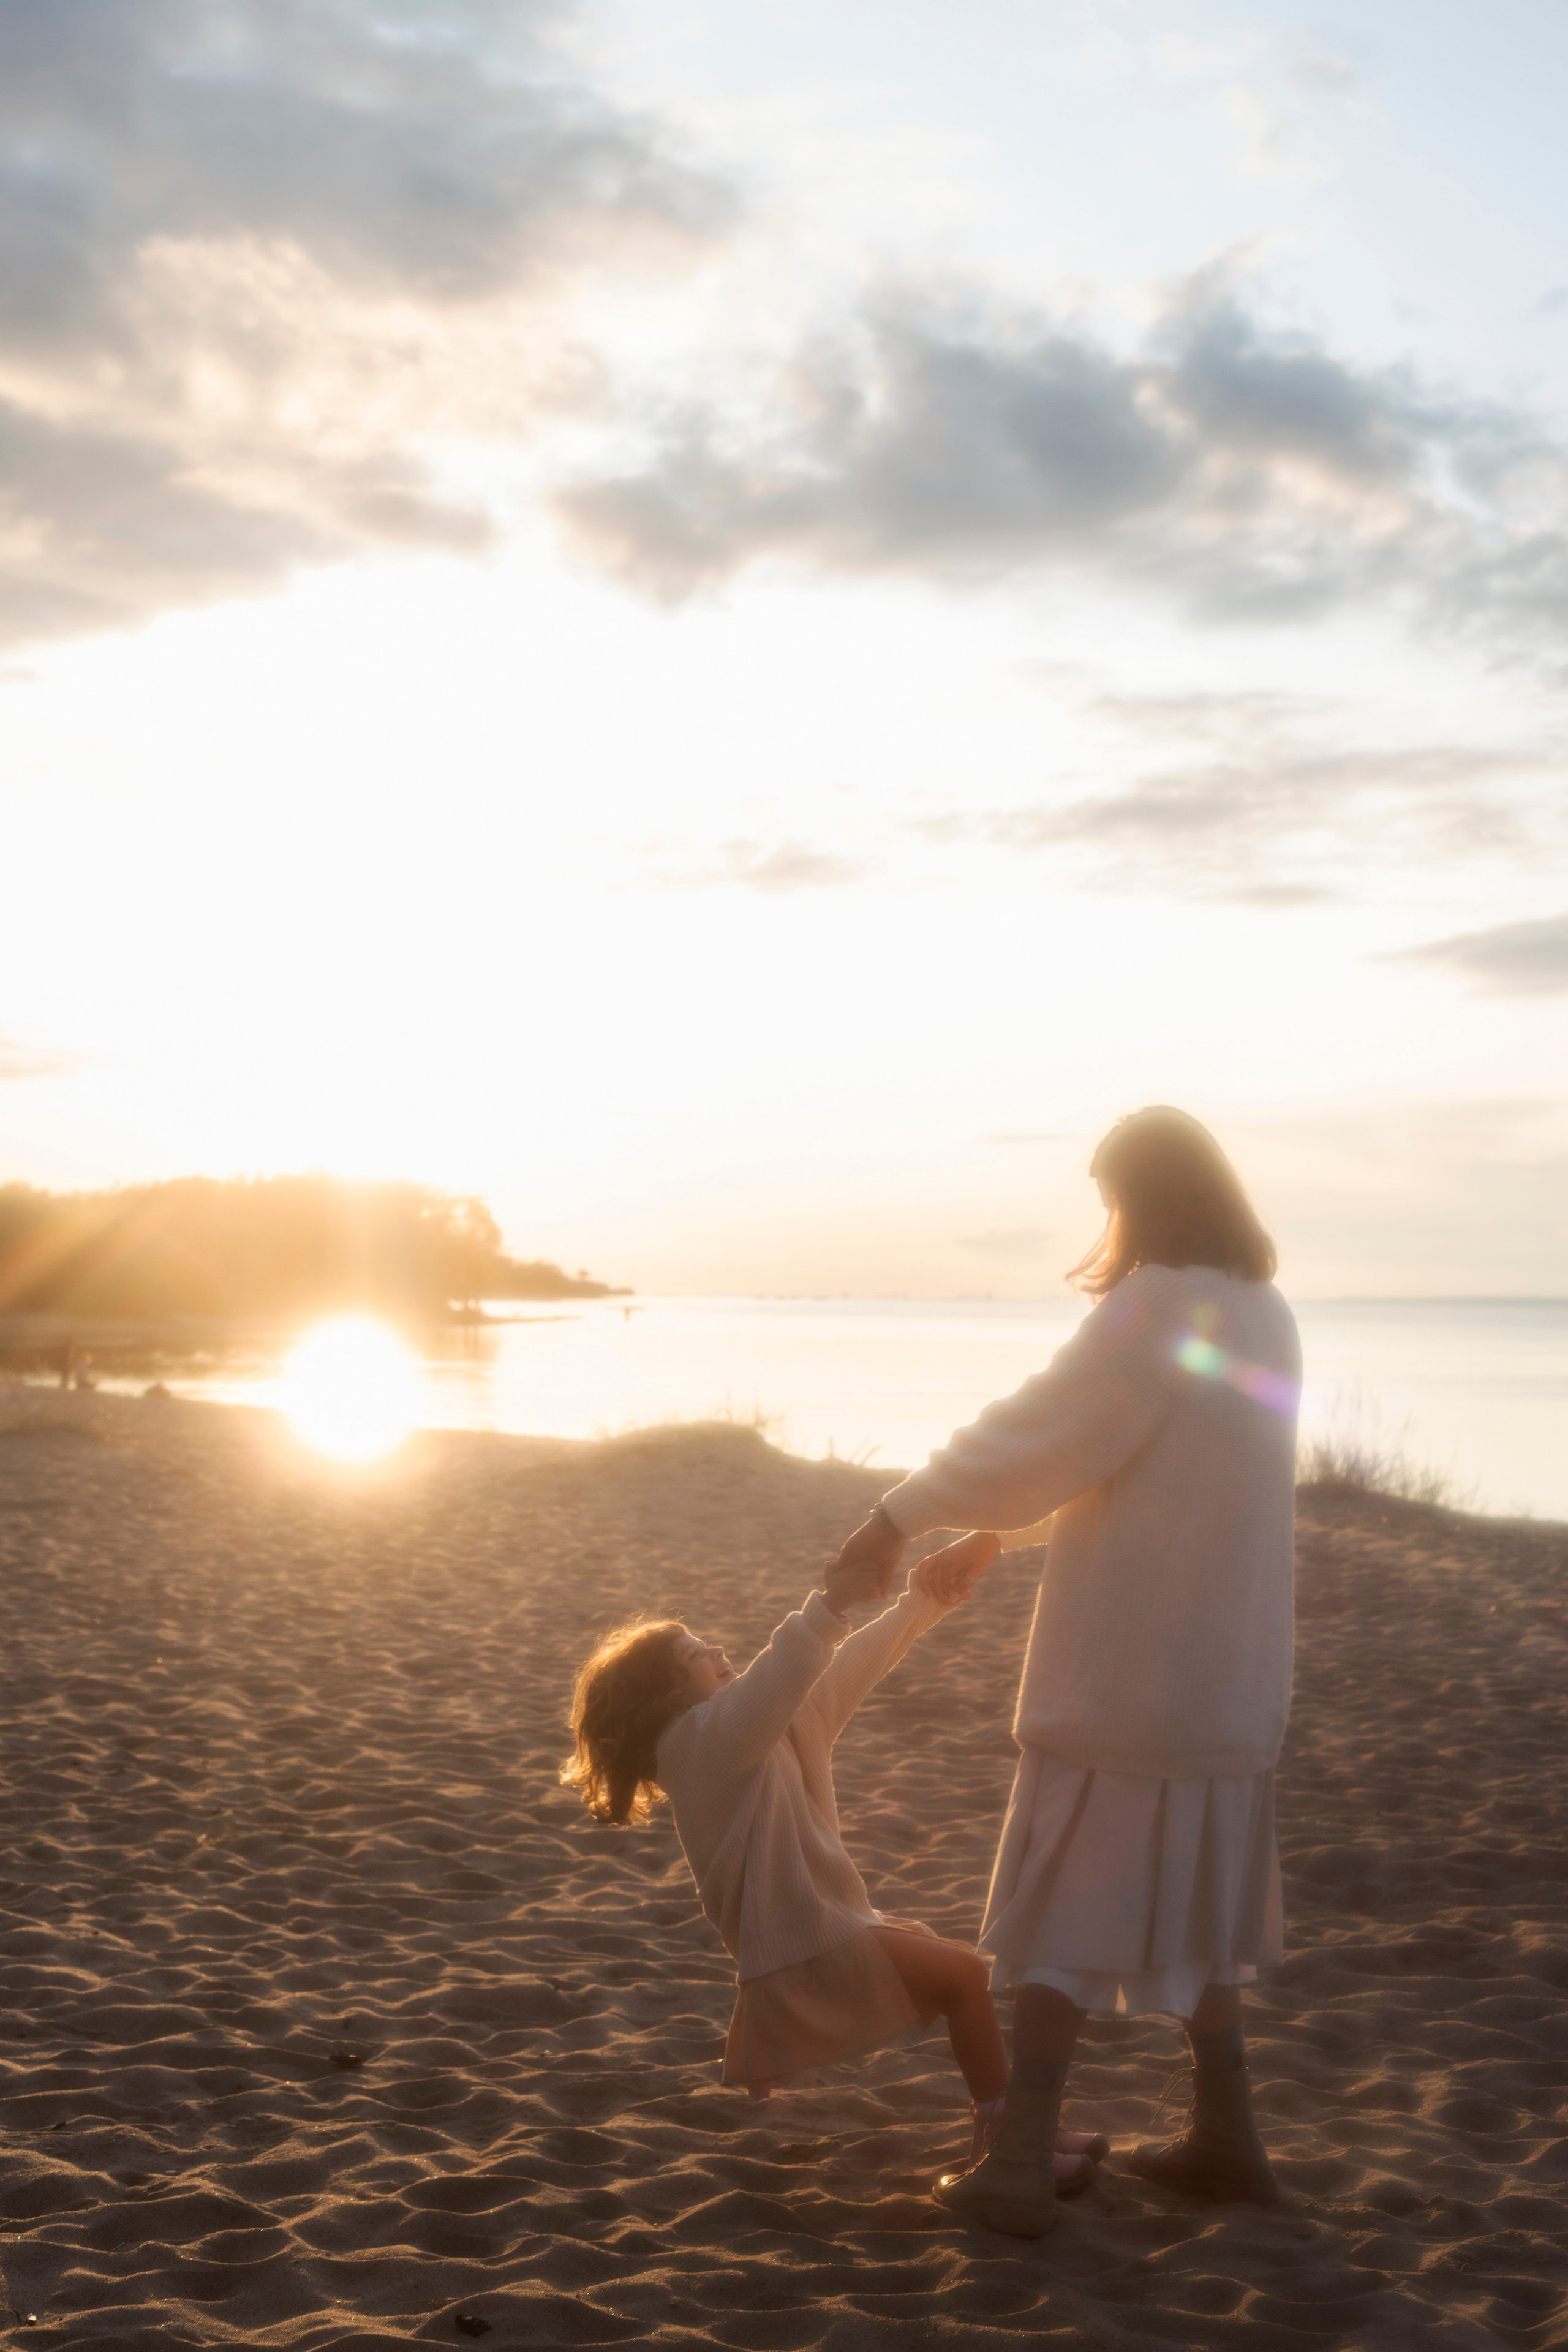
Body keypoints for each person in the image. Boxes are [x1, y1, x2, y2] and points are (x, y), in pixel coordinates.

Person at [834, 1106, 1302, 2236]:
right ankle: (1230, 2140)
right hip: (1226, 1686)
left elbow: (1042, 1429)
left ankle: (1019, 2161)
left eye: (1113, 1199)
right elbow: (1150, 1466)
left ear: (1145, 1198)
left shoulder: (1159, 1303)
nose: (1110, 1222)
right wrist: (1000, 1535)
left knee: (1059, 1913)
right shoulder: (1266, 1312)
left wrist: (897, 1514)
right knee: (1205, 1914)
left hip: (1129, 1681)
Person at [561, 1534, 1109, 2184]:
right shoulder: (694, 1746)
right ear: (666, 1695)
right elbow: (781, 1672)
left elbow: (850, 1668)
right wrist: (830, 1602)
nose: (717, 1652)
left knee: (960, 1973)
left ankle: (1019, 2131)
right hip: (801, 1942)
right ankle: (1009, 2142)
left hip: (828, 1926)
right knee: (964, 1975)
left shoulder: (769, 1727)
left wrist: (922, 1601)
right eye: (695, 1655)